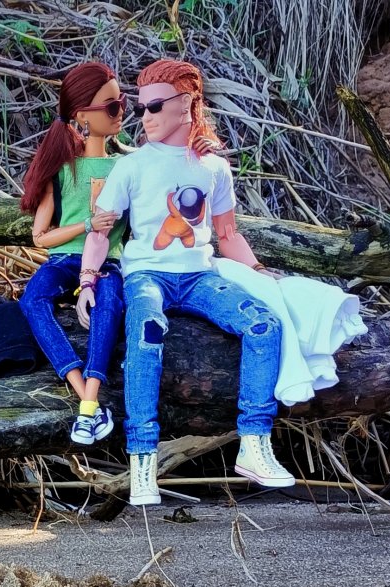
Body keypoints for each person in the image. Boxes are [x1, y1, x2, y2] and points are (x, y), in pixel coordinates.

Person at [76, 59, 296, 506]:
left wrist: (257, 274)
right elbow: (101, 229)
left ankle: (254, 443)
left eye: (155, 106)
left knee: (263, 325)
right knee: (146, 334)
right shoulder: (132, 166)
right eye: (141, 109)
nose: (146, 117)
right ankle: (142, 458)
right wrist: (87, 281)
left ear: (187, 104)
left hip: (198, 275)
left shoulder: (213, 169)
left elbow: (228, 234)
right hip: (147, 274)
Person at [19, 62, 126, 446]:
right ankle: (87, 398)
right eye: (111, 107)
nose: (120, 113)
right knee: (32, 299)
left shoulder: (125, 166)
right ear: (82, 115)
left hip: (108, 262)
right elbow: (40, 236)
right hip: (65, 259)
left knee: (109, 301)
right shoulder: (64, 170)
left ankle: (87, 406)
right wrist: (86, 226)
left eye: (121, 104)